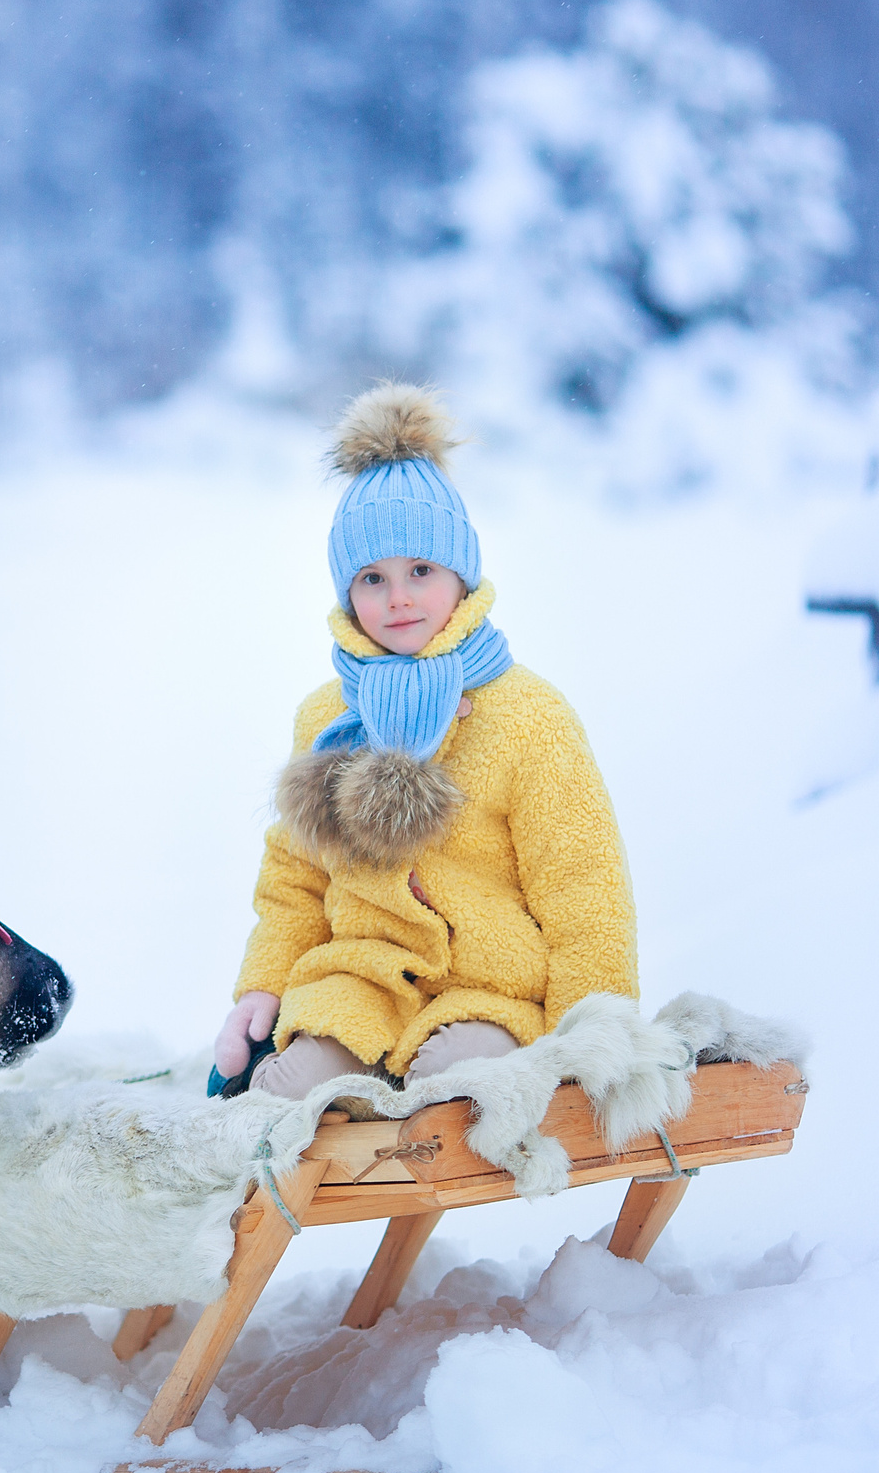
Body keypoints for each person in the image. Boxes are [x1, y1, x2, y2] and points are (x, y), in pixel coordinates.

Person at [212, 383, 637, 1099]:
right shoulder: (328, 715)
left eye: (420, 571)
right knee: (287, 1095)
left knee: (451, 1087)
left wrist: (589, 1028)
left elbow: (583, 883)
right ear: (347, 594)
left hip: (488, 990)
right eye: (372, 578)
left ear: (459, 576)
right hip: (363, 985)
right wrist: (263, 984)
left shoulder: (527, 714)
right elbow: (294, 881)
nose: (399, 597)